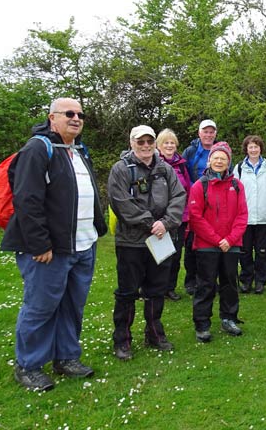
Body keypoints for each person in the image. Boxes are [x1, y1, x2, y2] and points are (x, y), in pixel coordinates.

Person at [1, 98, 107, 391]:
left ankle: (66, 357)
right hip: (51, 249)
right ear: (52, 117)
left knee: (73, 306)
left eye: (80, 114)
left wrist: (97, 229)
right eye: (69, 113)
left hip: (83, 245)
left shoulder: (78, 150)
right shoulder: (38, 148)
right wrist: (39, 244)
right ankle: (29, 365)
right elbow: (27, 199)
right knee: (41, 306)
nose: (76, 118)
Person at [108, 125, 186, 360]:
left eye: (149, 141)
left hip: (161, 239)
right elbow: (120, 202)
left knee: (156, 289)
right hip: (131, 242)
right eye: (140, 142)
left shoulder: (165, 170)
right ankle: (122, 340)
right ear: (131, 143)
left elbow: (179, 197)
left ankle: (154, 333)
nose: (145, 146)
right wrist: (150, 222)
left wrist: (166, 223)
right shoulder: (121, 169)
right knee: (127, 292)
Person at [188, 142, 248, 342]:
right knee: (206, 285)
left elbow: (242, 216)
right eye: (216, 157)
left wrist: (229, 240)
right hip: (207, 245)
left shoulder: (237, 186)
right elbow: (196, 218)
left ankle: (229, 317)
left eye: (223, 158)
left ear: (229, 161)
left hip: (231, 245)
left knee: (230, 283)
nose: (219, 161)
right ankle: (202, 323)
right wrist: (216, 239)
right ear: (209, 160)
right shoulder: (200, 185)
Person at [233, 135, 266, 294]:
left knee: (262, 251)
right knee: (244, 251)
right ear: (246, 149)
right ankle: (246, 280)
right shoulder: (239, 168)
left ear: (260, 148)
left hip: (264, 219)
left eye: (256, 147)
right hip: (244, 219)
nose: (253, 150)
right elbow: (233, 193)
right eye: (250, 147)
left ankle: (260, 281)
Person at [181, 119, 218, 295]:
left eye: (212, 132)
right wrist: (196, 189)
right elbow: (182, 172)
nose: (208, 135)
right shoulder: (190, 151)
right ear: (199, 133)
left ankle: (209, 279)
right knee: (191, 242)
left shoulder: (220, 150)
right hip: (193, 201)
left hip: (214, 203)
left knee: (211, 240)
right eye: (206, 131)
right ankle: (190, 280)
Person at [156, 128, 191, 301]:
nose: (169, 146)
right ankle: (156, 288)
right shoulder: (154, 163)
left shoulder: (182, 164)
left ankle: (170, 288)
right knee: (159, 254)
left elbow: (188, 189)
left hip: (180, 217)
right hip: (160, 218)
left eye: (172, 143)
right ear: (159, 146)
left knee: (176, 254)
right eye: (166, 143)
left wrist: (188, 213)